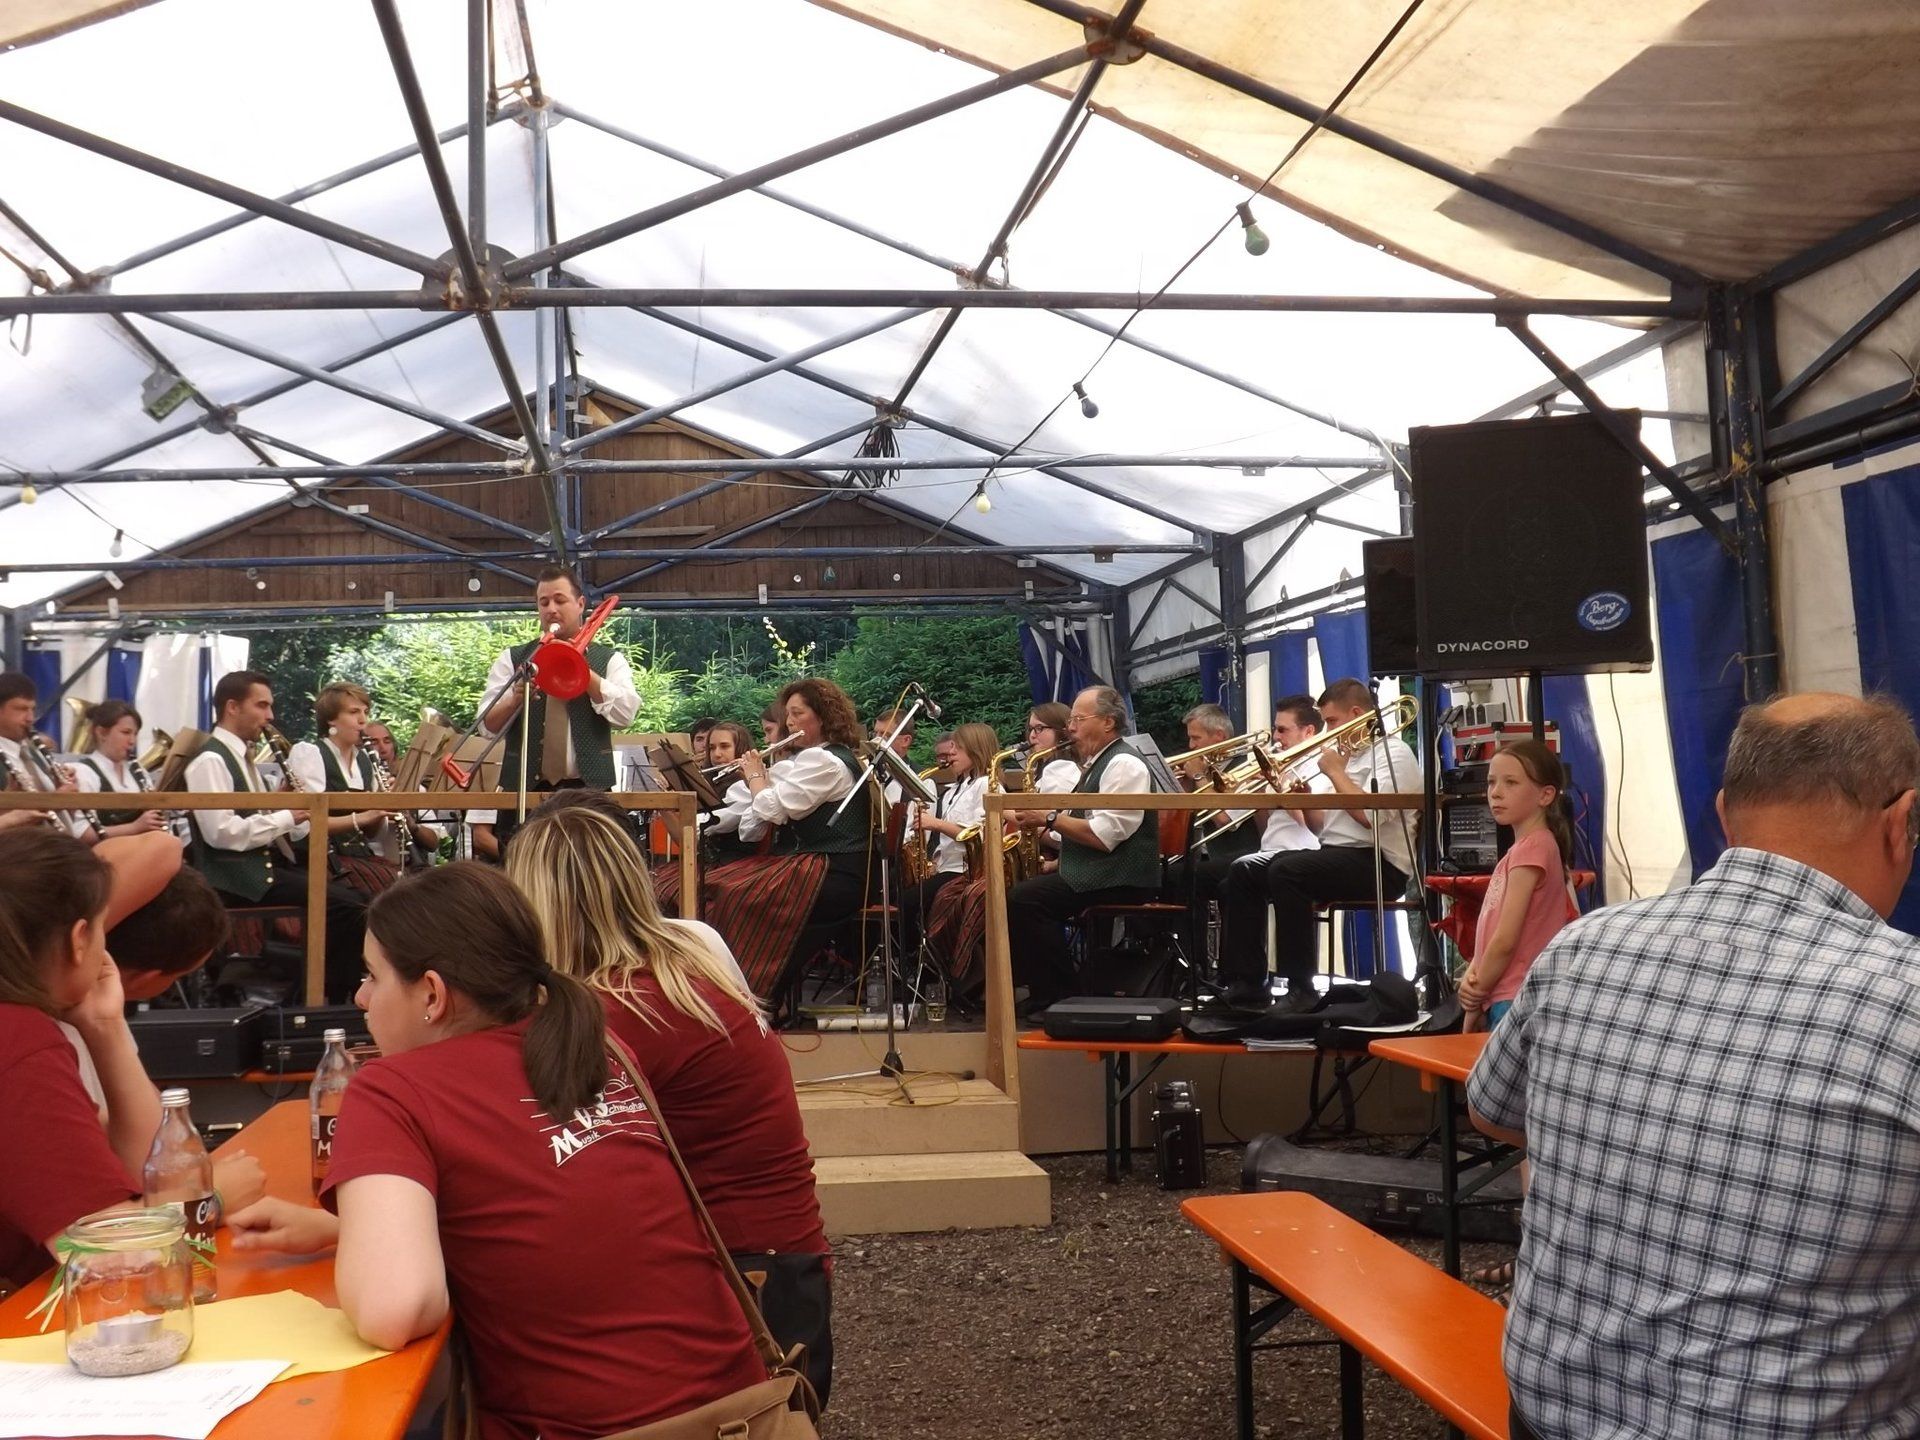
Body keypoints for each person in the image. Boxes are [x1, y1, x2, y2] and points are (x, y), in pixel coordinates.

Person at [1468, 693, 1920, 1440]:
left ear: (1722, 814)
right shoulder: (1906, 996)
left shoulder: (1585, 946)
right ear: (1902, 822)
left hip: (1548, 1414)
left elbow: (1490, 1110)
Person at [228, 864, 767, 1440]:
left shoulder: (393, 1089)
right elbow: (547, 1212)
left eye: (371, 976)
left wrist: (363, 1244)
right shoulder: (595, 1050)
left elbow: (396, 1308)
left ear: (431, 994)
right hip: (741, 1412)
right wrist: (343, 1229)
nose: (360, 997)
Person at [505, 807, 833, 1404]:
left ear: (536, 904)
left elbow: (515, 1123)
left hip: (743, 1275)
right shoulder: (681, 960)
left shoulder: (620, 1007)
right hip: (775, 1259)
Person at [0, 829, 261, 1294]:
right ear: (80, 940)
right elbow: (101, 1255)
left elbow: (151, 1171)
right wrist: (209, 1201)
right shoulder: (20, 1042)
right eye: (103, 927)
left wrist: (107, 1028)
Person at [1217, 678, 1424, 1013]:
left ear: (1356, 714)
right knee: (1243, 870)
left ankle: (1301, 987)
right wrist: (1306, 799)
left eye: (1331, 721)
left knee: (1287, 871)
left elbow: (1370, 818)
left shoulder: (1394, 753)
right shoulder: (1346, 758)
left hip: (1380, 864)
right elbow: (1321, 828)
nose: (1327, 730)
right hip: (1335, 855)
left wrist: (1337, 774)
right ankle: (1249, 984)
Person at [183, 670, 367, 1002]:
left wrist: (280, 803)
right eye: (262, 705)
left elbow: (251, 816)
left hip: (261, 868)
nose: (270, 716)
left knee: (356, 899)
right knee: (348, 906)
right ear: (232, 707)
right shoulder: (211, 760)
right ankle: (316, 999)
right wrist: (287, 816)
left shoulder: (242, 756)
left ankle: (319, 996)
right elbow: (221, 833)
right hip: (234, 878)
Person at [721, 678, 878, 1010]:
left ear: (823, 716)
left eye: (798, 713)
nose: (789, 722)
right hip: (823, 865)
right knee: (732, 885)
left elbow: (772, 810)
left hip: (837, 871)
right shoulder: (816, 758)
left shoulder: (824, 761)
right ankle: (747, 991)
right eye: (788, 714)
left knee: (736, 893)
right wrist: (760, 780)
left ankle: (753, 995)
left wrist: (754, 775)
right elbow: (762, 816)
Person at [1005, 687, 1160, 1013]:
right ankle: (1046, 992)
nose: (1071, 727)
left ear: (1107, 722)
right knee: (1022, 894)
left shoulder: (1123, 764)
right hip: (1103, 871)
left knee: (1026, 899)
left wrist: (1048, 818)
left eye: (1078, 719)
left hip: (1122, 877)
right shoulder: (1099, 762)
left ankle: (1060, 995)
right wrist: (1057, 859)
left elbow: (1105, 837)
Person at [477, 567, 639, 837]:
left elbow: (626, 715)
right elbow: (486, 727)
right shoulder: (513, 659)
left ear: (580, 604)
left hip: (589, 793)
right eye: (544, 603)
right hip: (526, 794)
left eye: (560, 600)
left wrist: (582, 670)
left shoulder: (609, 660)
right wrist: (515, 699)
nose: (551, 609)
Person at [1457, 740, 1573, 1033]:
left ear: (1545, 795)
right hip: (1505, 993)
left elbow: (1505, 940)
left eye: (1511, 783)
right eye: (1491, 782)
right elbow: (1491, 935)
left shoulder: (1532, 849)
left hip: (1514, 996)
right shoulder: (1526, 849)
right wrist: (1473, 974)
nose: (1496, 792)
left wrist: (1477, 993)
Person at [287, 683, 398, 899]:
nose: (363, 720)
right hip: (321, 860)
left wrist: (382, 804)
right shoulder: (309, 753)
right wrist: (363, 816)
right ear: (331, 719)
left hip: (358, 858)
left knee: (408, 881)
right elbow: (304, 825)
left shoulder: (366, 761)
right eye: (353, 712)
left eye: (365, 712)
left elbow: (373, 834)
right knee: (393, 888)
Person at [0, 672, 97, 843]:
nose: (30, 718)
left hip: (59, 846)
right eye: (21, 709)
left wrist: (66, 795)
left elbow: (59, 818)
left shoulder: (34, 753)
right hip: (20, 852)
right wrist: (55, 799)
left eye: (32, 709)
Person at [71, 701, 176, 841]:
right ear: (101, 733)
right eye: (126, 733)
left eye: (135, 734)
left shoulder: (138, 772)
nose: (132, 741)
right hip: (103, 851)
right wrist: (135, 827)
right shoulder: (84, 772)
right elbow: (81, 833)